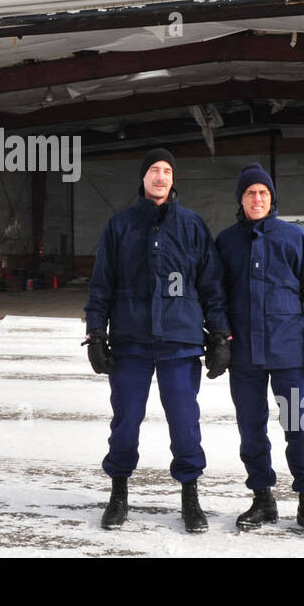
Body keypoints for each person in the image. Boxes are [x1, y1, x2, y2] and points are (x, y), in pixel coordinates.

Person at [84, 148, 232, 533]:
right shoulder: (120, 226)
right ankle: (119, 493)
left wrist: (220, 334)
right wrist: (96, 332)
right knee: (125, 420)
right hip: (131, 340)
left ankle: (190, 495)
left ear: (173, 179)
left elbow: (212, 286)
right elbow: (101, 285)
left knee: (185, 422)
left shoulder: (193, 226)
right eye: (154, 170)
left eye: (167, 170)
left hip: (180, 341)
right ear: (143, 178)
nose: (161, 176)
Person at [214, 163, 304, 537]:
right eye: (250, 193)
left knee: (298, 426)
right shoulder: (227, 242)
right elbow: (215, 295)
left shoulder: (293, 238)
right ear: (241, 200)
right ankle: (262, 497)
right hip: (244, 355)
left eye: (263, 192)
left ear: (272, 198)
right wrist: (218, 337)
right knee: (251, 429)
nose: (257, 198)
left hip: (289, 353)